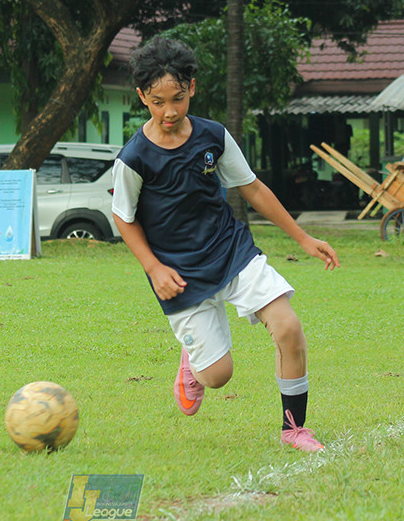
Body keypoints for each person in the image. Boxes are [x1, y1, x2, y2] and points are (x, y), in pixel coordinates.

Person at [111, 38, 340, 452]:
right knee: (219, 375)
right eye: (158, 102)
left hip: (230, 249)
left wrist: (303, 238)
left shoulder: (213, 136)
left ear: (192, 89)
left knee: (288, 327)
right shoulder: (134, 157)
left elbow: (251, 187)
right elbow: (123, 217)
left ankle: (294, 429)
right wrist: (153, 268)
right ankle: (194, 365)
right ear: (142, 96)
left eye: (178, 99)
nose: (169, 112)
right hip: (179, 272)